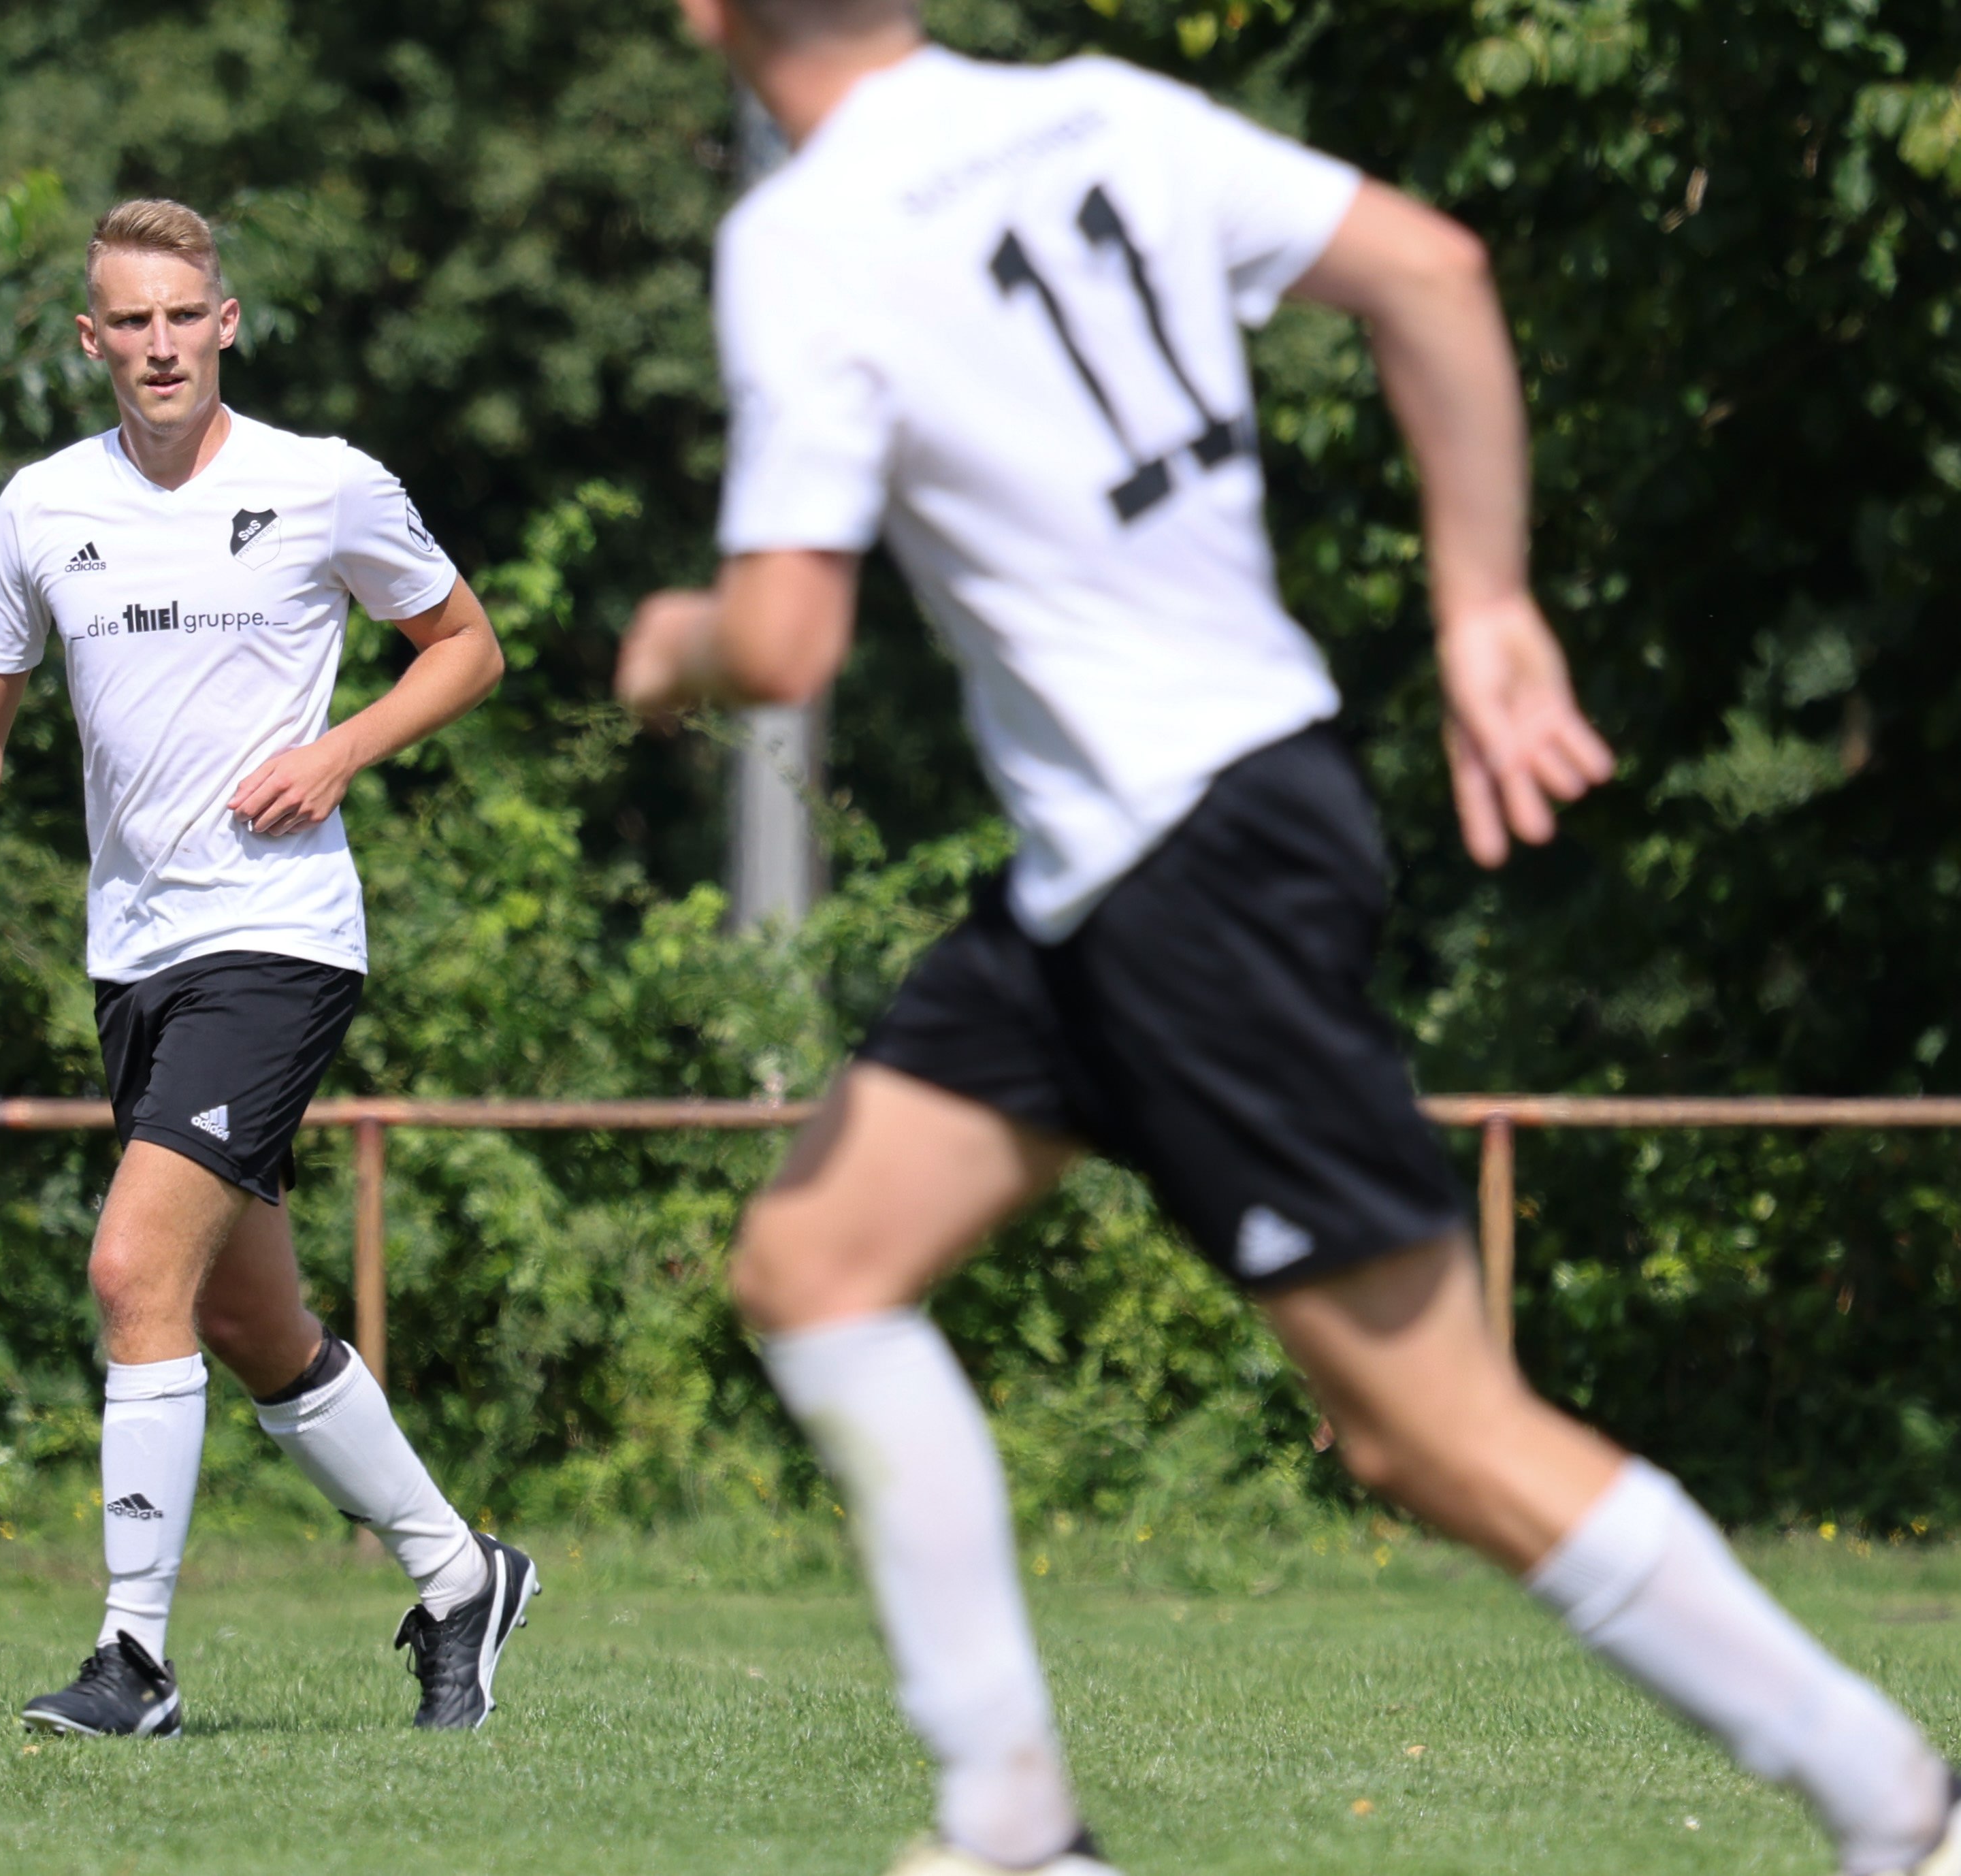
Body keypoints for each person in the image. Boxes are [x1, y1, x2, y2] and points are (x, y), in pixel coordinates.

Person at [616, 4, 1961, 1873]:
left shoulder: (804, 233)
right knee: (818, 1261)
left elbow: (778, 641)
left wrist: (667, 644)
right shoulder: (1098, 112)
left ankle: (1901, 1806)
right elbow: (1432, 267)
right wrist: (1480, 599)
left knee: (1432, 1431)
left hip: (1184, 866)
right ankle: (1010, 1824)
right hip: (1136, 855)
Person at [0, 197, 538, 1738]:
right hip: (136, 961)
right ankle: (461, 1577)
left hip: (279, 940)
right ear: (91, 339)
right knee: (247, 1322)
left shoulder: (323, 484)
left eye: (186, 315)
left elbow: (467, 646)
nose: (162, 344)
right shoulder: (42, 508)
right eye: (133, 320)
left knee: (131, 1268)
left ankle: (135, 1660)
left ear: (225, 322)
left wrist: (340, 751)